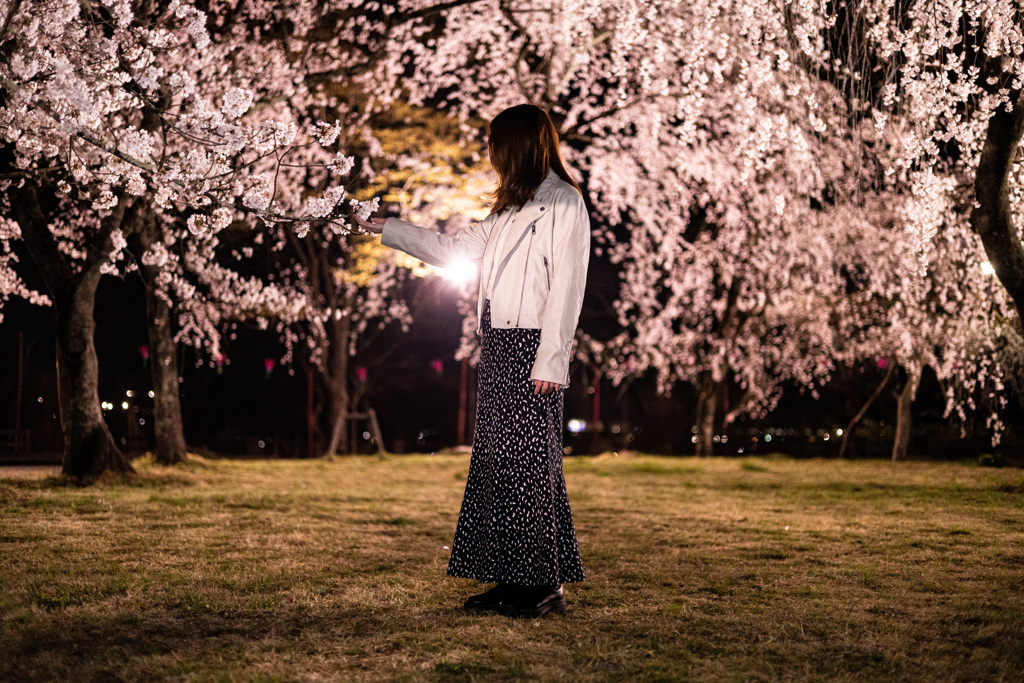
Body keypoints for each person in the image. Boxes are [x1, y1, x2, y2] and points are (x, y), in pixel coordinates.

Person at [357, 103, 590, 618]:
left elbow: (568, 287)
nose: (489, 154)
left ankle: (542, 586)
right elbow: (450, 249)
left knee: (530, 465)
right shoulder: (508, 209)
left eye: (493, 144)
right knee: (501, 465)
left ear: (517, 145)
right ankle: (512, 579)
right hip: (500, 345)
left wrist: (552, 359)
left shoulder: (564, 202)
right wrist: (386, 228)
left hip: (533, 349)